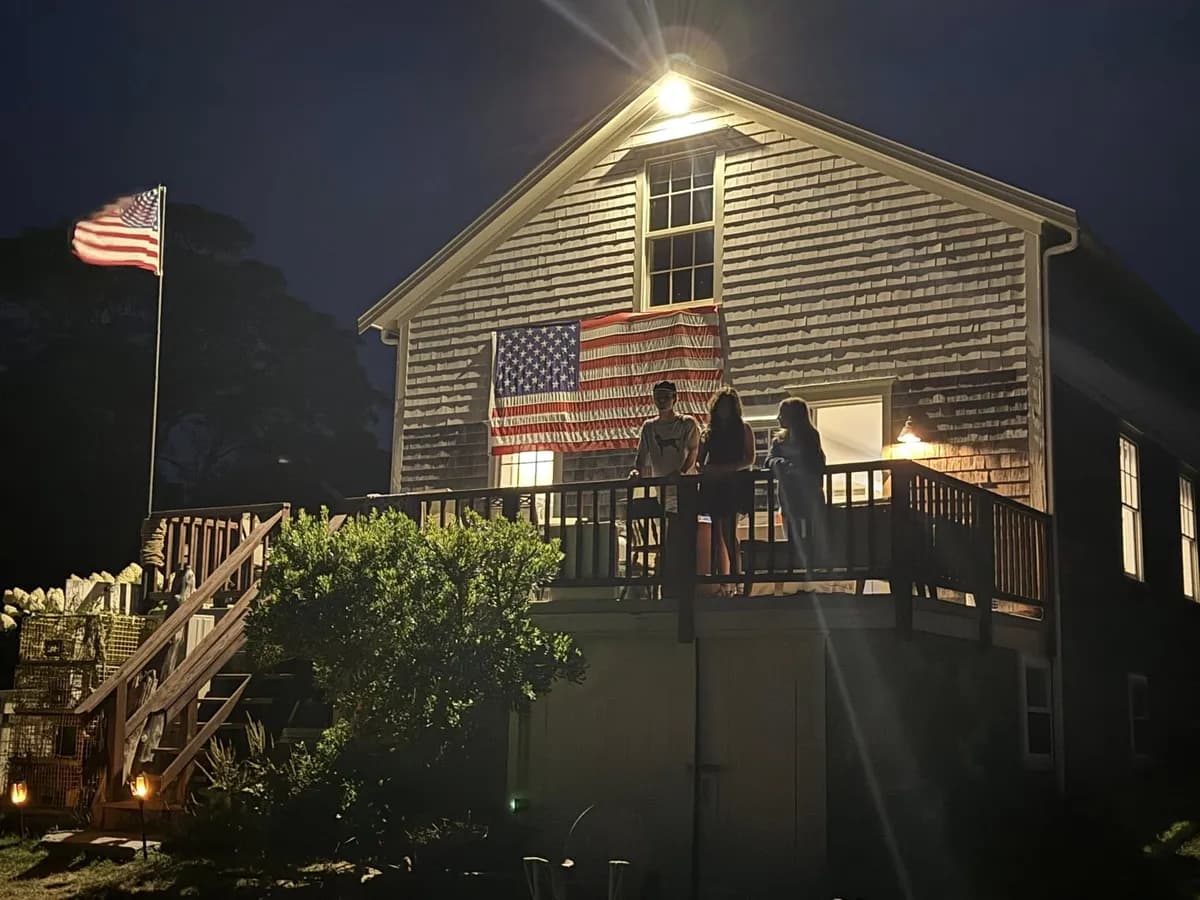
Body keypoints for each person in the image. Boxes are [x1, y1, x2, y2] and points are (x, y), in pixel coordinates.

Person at [698, 386, 756, 587]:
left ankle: (737, 578)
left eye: (728, 407)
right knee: (716, 532)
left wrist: (727, 469)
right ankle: (720, 581)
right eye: (721, 406)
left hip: (734, 484)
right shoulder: (709, 433)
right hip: (715, 485)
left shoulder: (743, 429)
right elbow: (699, 461)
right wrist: (707, 470)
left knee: (730, 532)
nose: (724, 410)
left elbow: (749, 458)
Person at [764, 397, 826, 569]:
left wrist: (798, 467)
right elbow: (767, 461)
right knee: (792, 537)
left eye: (782, 414)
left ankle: (811, 572)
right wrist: (780, 463)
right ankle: (796, 572)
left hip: (808, 497)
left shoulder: (810, 437)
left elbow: (817, 462)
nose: (778, 418)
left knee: (810, 538)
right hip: (788, 498)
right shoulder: (778, 441)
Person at [630, 380, 700, 482]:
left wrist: (681, 472)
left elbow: (693, 451)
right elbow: (641, 455)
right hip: (661, 486)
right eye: (658, 397)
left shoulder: (686, 423)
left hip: (685, 484)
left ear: (674, 398)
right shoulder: (649, 427)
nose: (662, 400)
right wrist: (636, 471)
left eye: (666, 397)